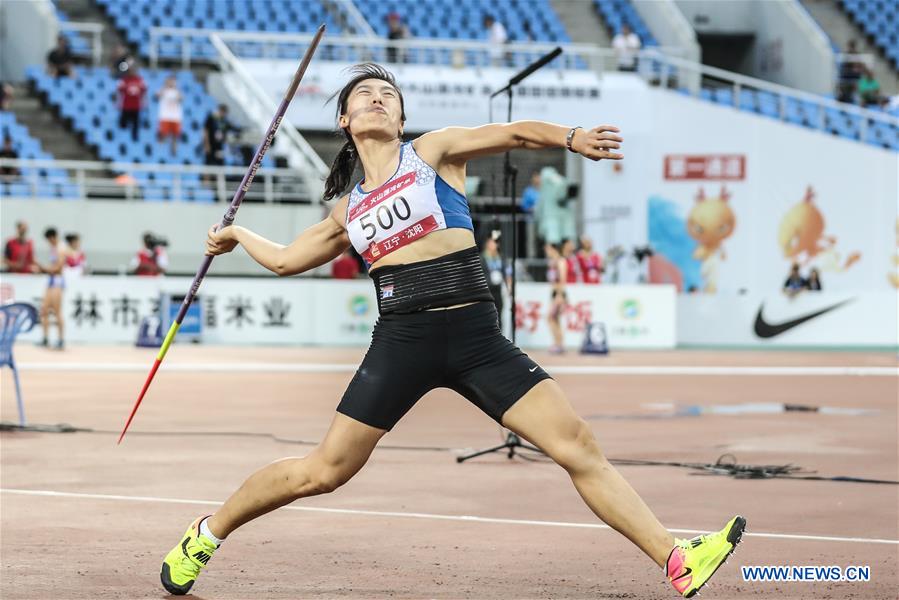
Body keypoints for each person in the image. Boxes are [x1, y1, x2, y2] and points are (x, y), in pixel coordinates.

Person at [161, 63, 744, 599]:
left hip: (477, 340)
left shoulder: (432, 152)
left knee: (577, 445)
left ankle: (675, 558)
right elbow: (288, 259)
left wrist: (571, 138)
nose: (377, 100)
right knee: (325, 472)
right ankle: (206, 534)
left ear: (402, 119)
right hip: (402, 343)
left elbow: (513, 134)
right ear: (344, 120)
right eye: (364, 95)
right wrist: (238, 236)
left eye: (388, 95)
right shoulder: (348, 211)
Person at [33, 228, 69, 349]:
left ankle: (61, 340)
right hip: (51, 281)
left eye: (49, 240)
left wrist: (42, 268)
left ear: (53, 237)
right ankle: (45, 338)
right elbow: (52, 267)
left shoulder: (61, 248)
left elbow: (58, 269)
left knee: (57, 311)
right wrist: (42, 269)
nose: (49, 243)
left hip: (57, 282)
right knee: (44, 310)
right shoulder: (54, 248)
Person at [481, 235, 511, 330]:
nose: (494, 245)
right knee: (487, 314)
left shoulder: (501, 258)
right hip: (486, 290)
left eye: (495, 243)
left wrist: (509, 287)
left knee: (499, 314)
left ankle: (499, 333)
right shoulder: (482, 258)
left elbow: (507, 273)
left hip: (497, 289)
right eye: (491, 242)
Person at [545, 242, 568, 354]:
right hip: (554, 293)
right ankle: (559, 344)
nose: (547, 252)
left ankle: (558, 343)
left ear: (554, 249)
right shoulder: (552, 262)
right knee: (555, 319)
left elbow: (562, 280)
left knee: (550, 318)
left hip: (559, 294)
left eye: (548, 249)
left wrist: (560, 296)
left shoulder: (561, 261)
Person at [117, 66, 146, 142]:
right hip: (126, 105)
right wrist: (118, 102)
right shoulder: (124, 80)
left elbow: (143, 92)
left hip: (136, 106)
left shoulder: (140, 80)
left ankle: (134, 137)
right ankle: (122, 136)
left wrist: (144, 101)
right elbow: (119, 92)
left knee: (136, 123)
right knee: (123, 123)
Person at [155, 76, 183, 154]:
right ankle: (160, 151)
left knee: (175, 136)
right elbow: (157, 95)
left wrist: (176, 89)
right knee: (163, 135)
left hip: (175, 117)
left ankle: (173, 150)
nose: (171, 83)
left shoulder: (177, 92)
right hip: (165, 116)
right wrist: (165, 87)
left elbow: (181, 98)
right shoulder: (163, 90)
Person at [203, 104, 231, 170]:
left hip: (219, 147)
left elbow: (225, 133)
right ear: (220, 110)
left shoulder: (224, 121)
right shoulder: (211, 118)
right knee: (208, 166)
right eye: (223, 112)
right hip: (210, 146)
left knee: (220, 165)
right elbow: (205, 132)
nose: (224, 115)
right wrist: (206, 145)